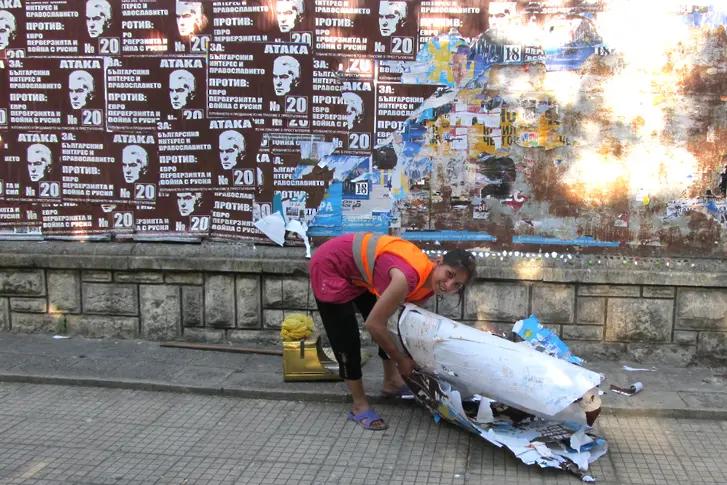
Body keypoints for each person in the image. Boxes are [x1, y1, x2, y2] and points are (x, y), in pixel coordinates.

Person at [309, 233, 476, 430]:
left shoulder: (429, 284)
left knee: (391, 323)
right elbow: (374, 325)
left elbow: (397, 325)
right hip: (330, 265)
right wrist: (400, 359)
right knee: (347, 337)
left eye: (457, 285)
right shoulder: (406, 278)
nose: (448, 286)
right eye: (449, 274)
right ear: (438, 262)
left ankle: (391, 383)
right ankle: (359, 406)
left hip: (357, 271)